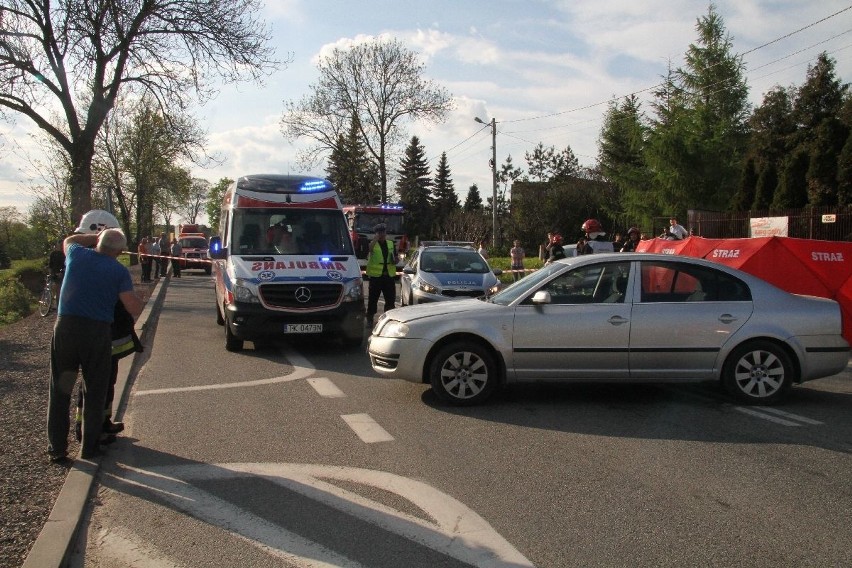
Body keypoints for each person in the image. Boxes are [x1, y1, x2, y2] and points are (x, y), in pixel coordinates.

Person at [47, 221, 143, 463]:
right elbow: (131, 306)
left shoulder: (77, 254)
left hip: (66, 329)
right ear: (120, 253)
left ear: (98, 243)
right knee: (94, 390)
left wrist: (95, 236)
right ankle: (89, 448)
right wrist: (138, 302)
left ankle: (57, 449)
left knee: (60, 390)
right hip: (96, 332)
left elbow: (69, 240)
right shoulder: (118, 271)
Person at [365, 223, 397, 328]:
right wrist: (375, 239)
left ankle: (388, 319)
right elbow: (369, 249)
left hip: (388, 276)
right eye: (379, 232)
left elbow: (395, 257)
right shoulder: (373, 244)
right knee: (373, 299)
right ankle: (370, 318)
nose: (382, 234)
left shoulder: (391, 243)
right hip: (376, 277)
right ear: (376, 233)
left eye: (383, 232)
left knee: (390, 299)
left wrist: (396, 260)